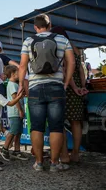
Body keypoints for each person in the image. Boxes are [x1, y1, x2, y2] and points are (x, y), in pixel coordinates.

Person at [19, 14, 75, 172]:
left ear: (35, 27)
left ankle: (38, 163)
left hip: (35, 88)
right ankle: (54, 163)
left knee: (36, 127)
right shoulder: (62, 40)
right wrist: (65, 83)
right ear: (50, 25)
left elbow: (22, 66)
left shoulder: (28, 41)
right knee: (56, 127)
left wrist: (21, 86)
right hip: (56, 87)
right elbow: (71, 62)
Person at [50, 26, 88, 164]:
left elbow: (67, 71)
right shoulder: (75, 48)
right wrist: (83, 86)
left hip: (66, 87)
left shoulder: (61, 47)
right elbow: (81, 70)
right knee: (76, 122)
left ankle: (65, 155)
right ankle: (76, 154)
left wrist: (74, 87)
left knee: (60, 123)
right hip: (77, 87)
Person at [0, 65, 28, 161]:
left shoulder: (14, 84)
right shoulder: (11, 85)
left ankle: (17, 150)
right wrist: (20, 110)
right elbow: (15, 99)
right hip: (15, 112)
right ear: (12, 74)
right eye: (18, 72)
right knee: (13, 131)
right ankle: (5, 148)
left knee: (18, 132)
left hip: (17, 112)